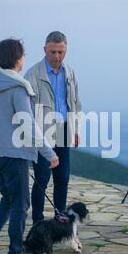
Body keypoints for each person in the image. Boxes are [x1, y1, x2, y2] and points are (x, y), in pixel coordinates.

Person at [0, 38, 59, 254]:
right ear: (16, 58)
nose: (24, 59)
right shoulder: (18, 87)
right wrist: (49, 153)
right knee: (21, 204)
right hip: (13, 154)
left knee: (9, 199)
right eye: (22, 55)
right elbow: (28, 125)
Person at [24, 31, 82, 224]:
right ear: (45, 50)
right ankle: (38, 222)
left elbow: (75, 103)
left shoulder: (70, 72)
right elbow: (27, 110)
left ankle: (60, 219)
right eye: (53, 52)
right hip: (42, 133)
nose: (57, 56)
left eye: (61, 52)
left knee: (63, 178)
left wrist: (76, 129)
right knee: (41, 179)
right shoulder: (32, 74)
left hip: (64, 129)